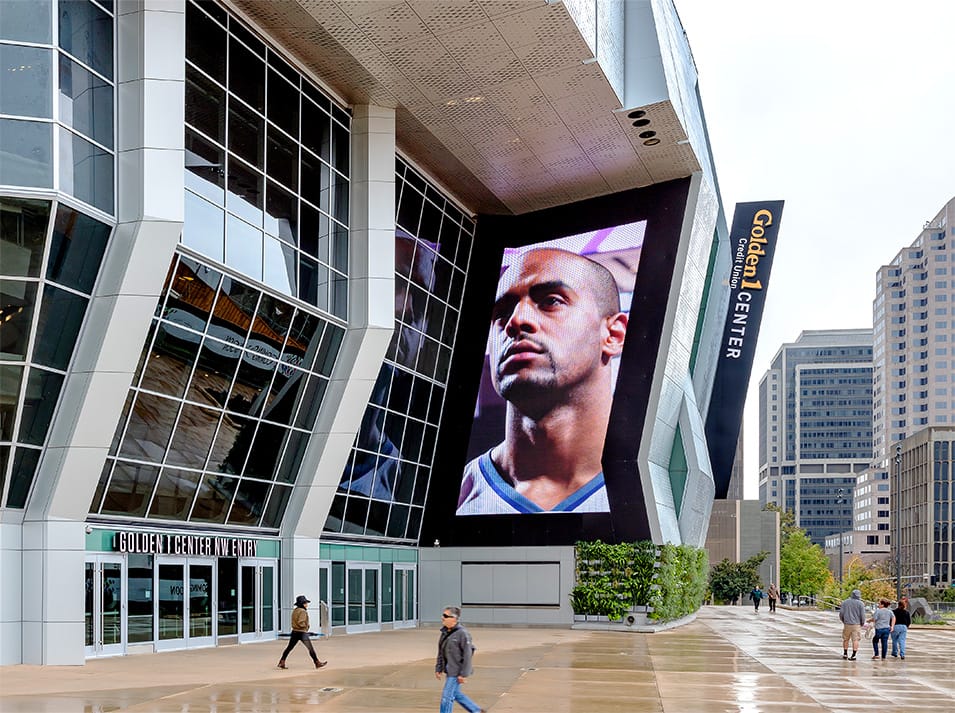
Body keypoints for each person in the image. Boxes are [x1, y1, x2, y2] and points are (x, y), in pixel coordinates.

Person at [457, 248, 628, 514]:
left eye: (551, 301)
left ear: (613, 335)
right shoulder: (454, 499)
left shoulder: (650, 493)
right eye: (502, 312)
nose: (516, 320)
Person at [435, 607, 485, 713]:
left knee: (446, 698)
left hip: (457, 672)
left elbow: (468, 654)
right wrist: (438, 668)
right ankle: (476, 711)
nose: (442, 618)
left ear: (454, 618)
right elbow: (440, 652)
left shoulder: (462, 634)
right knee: (456, 694)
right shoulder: (444, 633)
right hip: (449, 670)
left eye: (445, 616)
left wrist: (463, 674)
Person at [277, 595, 327, 670]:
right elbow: (301, 622)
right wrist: (306, 628)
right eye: (306, 603)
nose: (307, 604)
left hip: (294, 632)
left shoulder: (295, 610)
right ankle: (317, 662)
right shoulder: (303, 611)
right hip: (302, 633)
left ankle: (282, 661)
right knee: (310, 649)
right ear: (302, 604)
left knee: (289, 648)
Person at [839, 588, 866, 660]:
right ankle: (853, 655)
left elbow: (841, 613)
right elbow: (862, 615)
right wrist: (862, 623)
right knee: (855, 640)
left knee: (845, 639)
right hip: (856, 624)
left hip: (847, 624)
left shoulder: (845, 602)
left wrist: (843, 620)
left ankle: (845, 653)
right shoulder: (861, 604)